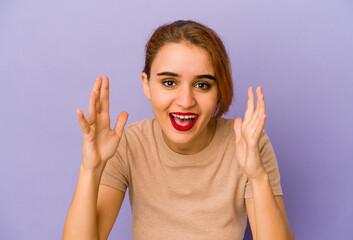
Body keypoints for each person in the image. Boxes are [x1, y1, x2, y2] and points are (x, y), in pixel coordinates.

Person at [63, 20, 294, 240]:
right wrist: (90, 169)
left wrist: (258, 177)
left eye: (202, 85)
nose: (185, 101)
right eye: (169, 83)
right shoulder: (127, 144)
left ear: (219, 91)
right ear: (146, 84)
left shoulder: (248, 143)